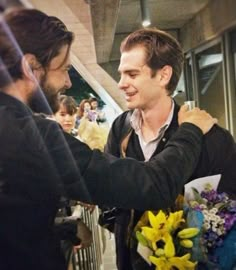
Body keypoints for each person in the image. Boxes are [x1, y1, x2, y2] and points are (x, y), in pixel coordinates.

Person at [0, 8, 216, 270]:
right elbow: (152, 186)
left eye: (132, 74)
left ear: (164, 75)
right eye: (64, 69)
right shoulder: (33, 137)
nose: (68, 82)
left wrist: (60, 228)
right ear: (30, 66)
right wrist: (191, 130)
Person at [99, 28, 236, 270]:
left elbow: (229, 211)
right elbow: (107, 192)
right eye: (121, 74)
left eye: (131, 74)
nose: (121, 84)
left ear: (163, 76)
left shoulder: (213, 138)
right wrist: (123, 229)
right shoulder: (121, 128)